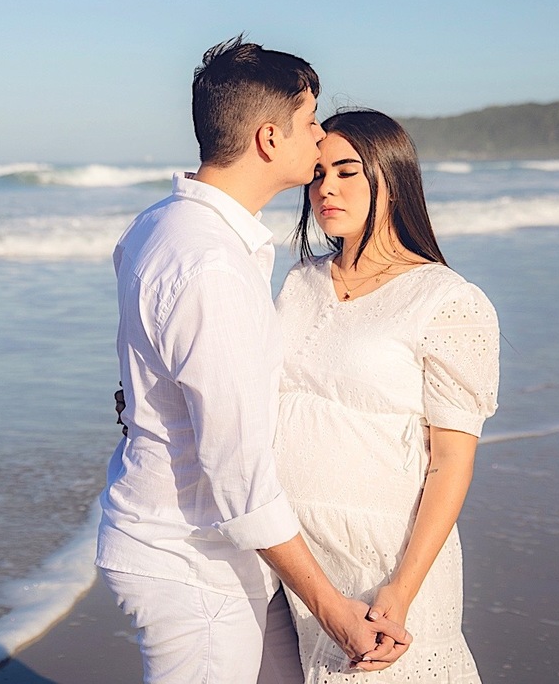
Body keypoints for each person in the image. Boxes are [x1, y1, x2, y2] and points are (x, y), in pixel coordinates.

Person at [96, 39, 411, 684]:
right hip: (191, 560)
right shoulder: (211, 262)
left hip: (206, 547)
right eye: (310, 120)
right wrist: (333, 608)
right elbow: (237, 472)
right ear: (270, 138)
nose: (320, 137)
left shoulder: (160, 224)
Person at [271, 109, 499, 681]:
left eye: (347, 172)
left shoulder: (448, 300)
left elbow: (451, 464)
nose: (326, 189)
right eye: (318, 173)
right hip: (295, 558)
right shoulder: (300, 283)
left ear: (390, 178)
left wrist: (401, 589)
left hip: (386, 560)